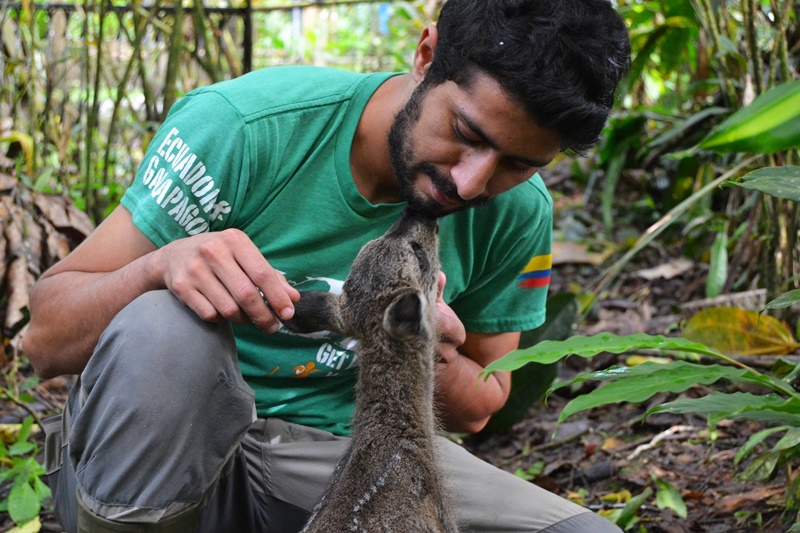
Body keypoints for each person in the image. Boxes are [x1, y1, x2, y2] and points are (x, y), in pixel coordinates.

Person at [24, 0, 630, 531]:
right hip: (168, 457)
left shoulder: (518, 211)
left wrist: (413, 344)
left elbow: (482, 403)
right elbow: (45, 340)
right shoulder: (246, 128)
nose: (472, 182)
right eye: (464, 132)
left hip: (348, 462)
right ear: (426, 54)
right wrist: (161, 265)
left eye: (517, 163)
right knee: (165, 326)